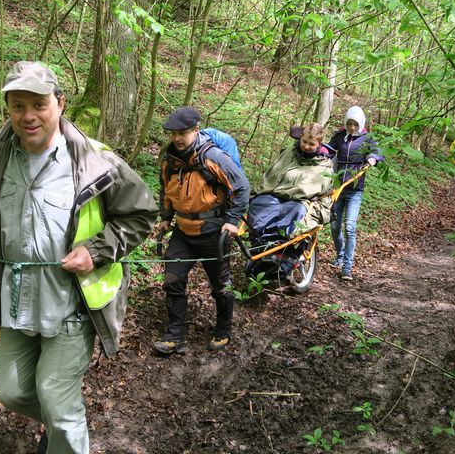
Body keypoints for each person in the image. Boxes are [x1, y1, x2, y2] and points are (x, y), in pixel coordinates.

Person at [0, 61, 158, 454]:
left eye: (39, 104)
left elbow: (142, 213)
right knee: (11, 391)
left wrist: (96, 251)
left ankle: (64, 431)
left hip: (72, 302)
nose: (28, 116)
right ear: (8, 109)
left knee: (57, 401)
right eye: (17, 105)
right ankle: (62, 427)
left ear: (60, 103)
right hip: (18, 297)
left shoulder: (96, 160)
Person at [154, 107, 250, 355]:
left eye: (183, 132)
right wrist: (166, 217)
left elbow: (241, 187)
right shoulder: (170, 160)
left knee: (221, 286)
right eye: (174, 133)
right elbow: (166, 189)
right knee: (172, 281)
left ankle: (223, 330)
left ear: (196, 130)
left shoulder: (214, 157)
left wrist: (232, 220)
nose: (177, 138)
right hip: (183, 232)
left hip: (213, 232)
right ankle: (175, 335)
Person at [246, 122, 335, 280]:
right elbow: (274, 174)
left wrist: (296, 191)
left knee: (297, 210)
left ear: (319, 144)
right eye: (304, 142)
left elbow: (317, 186)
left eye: (311, 144)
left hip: (299, 201)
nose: (306, 146)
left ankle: (280, 245)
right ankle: (262, 241)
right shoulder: (289, 153)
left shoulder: (324, 165)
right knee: (257, 203)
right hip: (276, 195)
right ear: (300, 138)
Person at [328, 106, 383, 281]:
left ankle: (347, 266)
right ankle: (340, 255)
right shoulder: (339, 136)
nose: (352, 127)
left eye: (355, 124)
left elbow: (377, 151)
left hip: (355, 189)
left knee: (350, 227)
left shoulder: (367, 138)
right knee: (335, 227)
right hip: (337, 187)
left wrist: (373, 158)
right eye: (350, 124)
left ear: (361, 124)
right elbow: (328, 149)